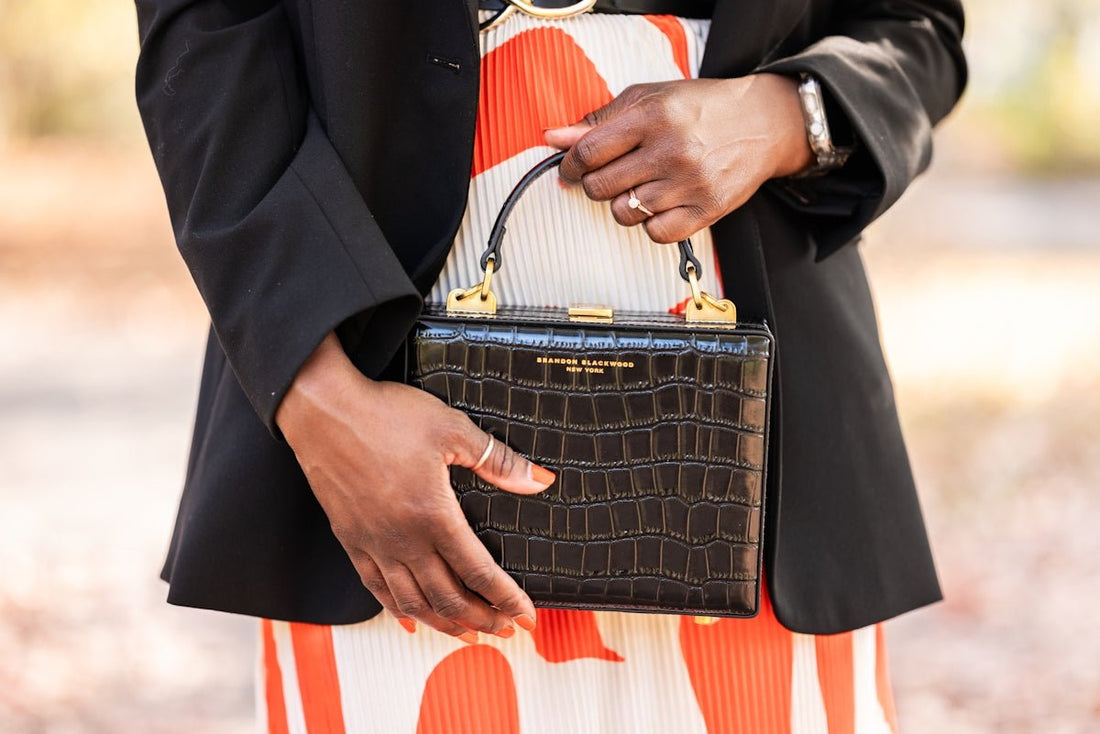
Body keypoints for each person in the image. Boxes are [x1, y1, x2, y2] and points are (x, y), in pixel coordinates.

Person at [134, 0, 966, 731]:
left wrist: (781, 117)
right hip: (368, 367)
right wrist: (320, 396)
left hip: (748, 444)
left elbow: (914, 26)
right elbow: (202, 30)